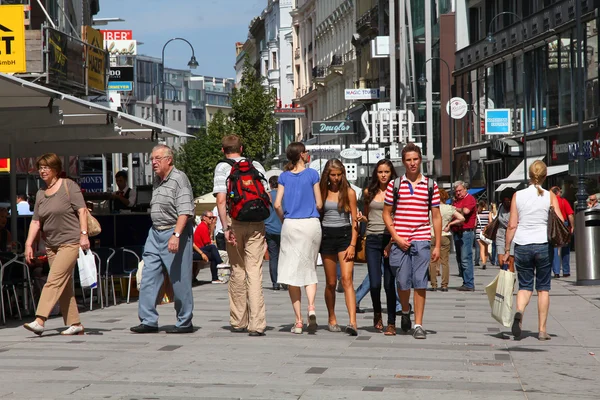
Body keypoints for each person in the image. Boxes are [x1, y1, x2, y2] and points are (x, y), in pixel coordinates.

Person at [131, 144, 195, 334]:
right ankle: (148, 320)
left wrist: (176, 235)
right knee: (148, 275)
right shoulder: (158, 181)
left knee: (179, 280)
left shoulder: (179, 179)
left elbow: (185, 211)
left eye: (157, 158)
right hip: (155, 232)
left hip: (174, 232)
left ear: (169, 160)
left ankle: (184, 321)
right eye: (152, 159)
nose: (153, 162)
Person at [23, 153, 89, 336]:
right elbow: (36, 222)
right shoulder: (41, 194)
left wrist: (84, 235)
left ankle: (40, 319)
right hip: (51, 246)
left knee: (53, 281)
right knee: (64, 284)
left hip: (70, 242)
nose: (42, 171)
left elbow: (82, 211)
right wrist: (28, 244)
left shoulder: (69, 186)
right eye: (40, 167)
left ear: (55, 169)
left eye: (46, 167)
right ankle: (75, 323)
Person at [383, 143, 441, 339]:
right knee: (402, 281)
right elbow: (386, 214)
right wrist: (396, 237)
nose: (412, 163)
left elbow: (436, 216)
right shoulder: (395, 185)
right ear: (403, 162)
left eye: (415, 159)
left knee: (420, 282)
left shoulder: (431, 185)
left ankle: (418, 324)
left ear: (421, 160)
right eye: (408, 160)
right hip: (400, 240)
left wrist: (437, 245)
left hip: (422, 238)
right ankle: (406, 310)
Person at [214, 135, 267, 337]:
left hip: (235, 222)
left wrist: (226, 227)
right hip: (256, 222)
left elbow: (220, 199)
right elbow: (266, 195)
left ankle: (238, 321)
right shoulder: (256, 165)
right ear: (241, 148)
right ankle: (257, 324)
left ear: (223, 150)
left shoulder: (223, 168)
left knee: (238, 269)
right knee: (254, 271)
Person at [505, 161, 563, 341]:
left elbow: (512, 224)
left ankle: (520, 312)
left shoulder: (518, 195)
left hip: (522, 244)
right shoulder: (550, 196)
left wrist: (507, 249)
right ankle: (542, 330)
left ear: (529, 176)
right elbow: (560, 220)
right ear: (545, 176)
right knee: (543, 288)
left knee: (524, 286)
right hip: (543, 244)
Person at [274, 142, 322, 334]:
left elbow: (277, 204)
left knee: (291, 273)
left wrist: (284, 219)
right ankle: (311, 306)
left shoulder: (284, 177)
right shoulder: (312, 174)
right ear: (302, 155)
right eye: (306, 152)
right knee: (309, 268)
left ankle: (299, 321)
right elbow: (319, 203)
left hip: (291, 225)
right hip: (311, 223)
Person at [356, 159, 400, 334]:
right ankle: (377, 313)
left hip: (390, 239)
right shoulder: (369, 192)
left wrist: (393, 240)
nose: (383, 175)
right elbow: (368, 215)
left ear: (391, 174)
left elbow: (399, 217)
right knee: (375, 283)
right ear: (376, 174)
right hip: (372, 239)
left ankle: (391, 322)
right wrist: (362, 219)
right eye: (380, 172)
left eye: (386, 172)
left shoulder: (396, 192)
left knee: (389, 284)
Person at [320, 159, 359, 336]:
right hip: (326, 236)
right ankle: (332, 317)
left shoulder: (349, 192)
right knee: (330, 282)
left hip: (344, 236)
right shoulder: (322, 191)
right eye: (332, 175)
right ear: (327, 175)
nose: (335, 178)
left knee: (347, 279)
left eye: (338, 175)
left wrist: (353, 243)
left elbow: (354, 221)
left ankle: (352, 321)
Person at [429, 188, 464, 292]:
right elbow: (462, 218)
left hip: (432, 235)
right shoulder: (450, 208)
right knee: (445, 262)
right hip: (445, 235)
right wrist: (450, 224)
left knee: (432, 261)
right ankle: (444, 285)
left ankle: (434, 284)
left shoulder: (430, 208)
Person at [452, 181, 478, 291]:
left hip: (466, 232)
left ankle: (469, 283)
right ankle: (465, 281)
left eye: (460, 190)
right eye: (456, 191)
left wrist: (452, 209)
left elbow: (466, 211)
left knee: (465, 258)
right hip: (457, 231)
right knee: (459, 258)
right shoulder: (456, 201)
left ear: (465, 189)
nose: (458, 193)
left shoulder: (470, 199)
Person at [549, 186, 575, 278]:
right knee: (565, 249)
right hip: (564, 224)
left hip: (553, 226)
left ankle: (556, 272)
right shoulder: (564, 201)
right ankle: (566, 271)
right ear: (558, 193)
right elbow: (570, 215)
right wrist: (572, 226)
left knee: (555, 249)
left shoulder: (550, 202)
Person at [193, 210, 224, 284]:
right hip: (197, 251)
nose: (212, 219)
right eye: (210, 217)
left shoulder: (205, 226)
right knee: (213, 248)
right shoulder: (203, 227)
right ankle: (220, 264)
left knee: (213, 254)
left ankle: (215, 278)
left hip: (200, 250)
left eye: (213, 218)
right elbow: (208, 244)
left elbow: (209, 239)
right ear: (204, 218)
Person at [265, 175, 283, 290]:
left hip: (270, 229)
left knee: (273, 256)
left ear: (270, 184)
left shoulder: (267, 196)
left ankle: (275, 283)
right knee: (285, 256)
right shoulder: (284, 195)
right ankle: (286, 281)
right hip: (284, 228)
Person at [495, 188, 517, 268]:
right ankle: (505, 277)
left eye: (509, 201)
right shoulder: (501, 207)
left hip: (513, 235)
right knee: (501, 262)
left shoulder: (516, 208)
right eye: (505, 201)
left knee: (510, 262)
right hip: (501, 234)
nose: (507, 203)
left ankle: (510, 279)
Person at [475, 200, 492, 270]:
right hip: (486, 232)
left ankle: (483, 262)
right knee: (486, 248)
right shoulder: (489, 212)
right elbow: (490, 222)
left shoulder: (477, 213)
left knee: (481, 248)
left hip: (478, 231)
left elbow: (475, 224)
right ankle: (485, 260)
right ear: (485, 205)